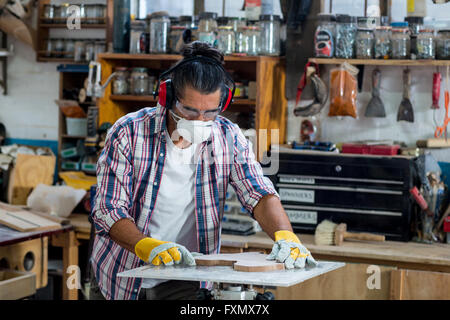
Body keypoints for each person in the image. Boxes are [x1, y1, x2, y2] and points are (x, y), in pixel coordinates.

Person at [89, 41, 317, 300]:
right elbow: (108, 210)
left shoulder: (227, 136)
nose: (200, 121)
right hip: (121, 274)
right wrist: (145, 246)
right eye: (190, 110)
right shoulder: (128, 132)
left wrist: (285, 235)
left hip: (186, 276)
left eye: (210, 112)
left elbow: (258, 192)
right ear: (168, 97)